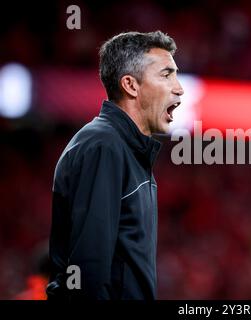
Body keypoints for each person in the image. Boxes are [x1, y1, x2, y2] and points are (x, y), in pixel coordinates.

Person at [46, 31, 184, 300]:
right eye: (166, 75)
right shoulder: (104, 146)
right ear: (131, 85)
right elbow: (88, 272)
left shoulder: (127, 149)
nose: (179, 87)